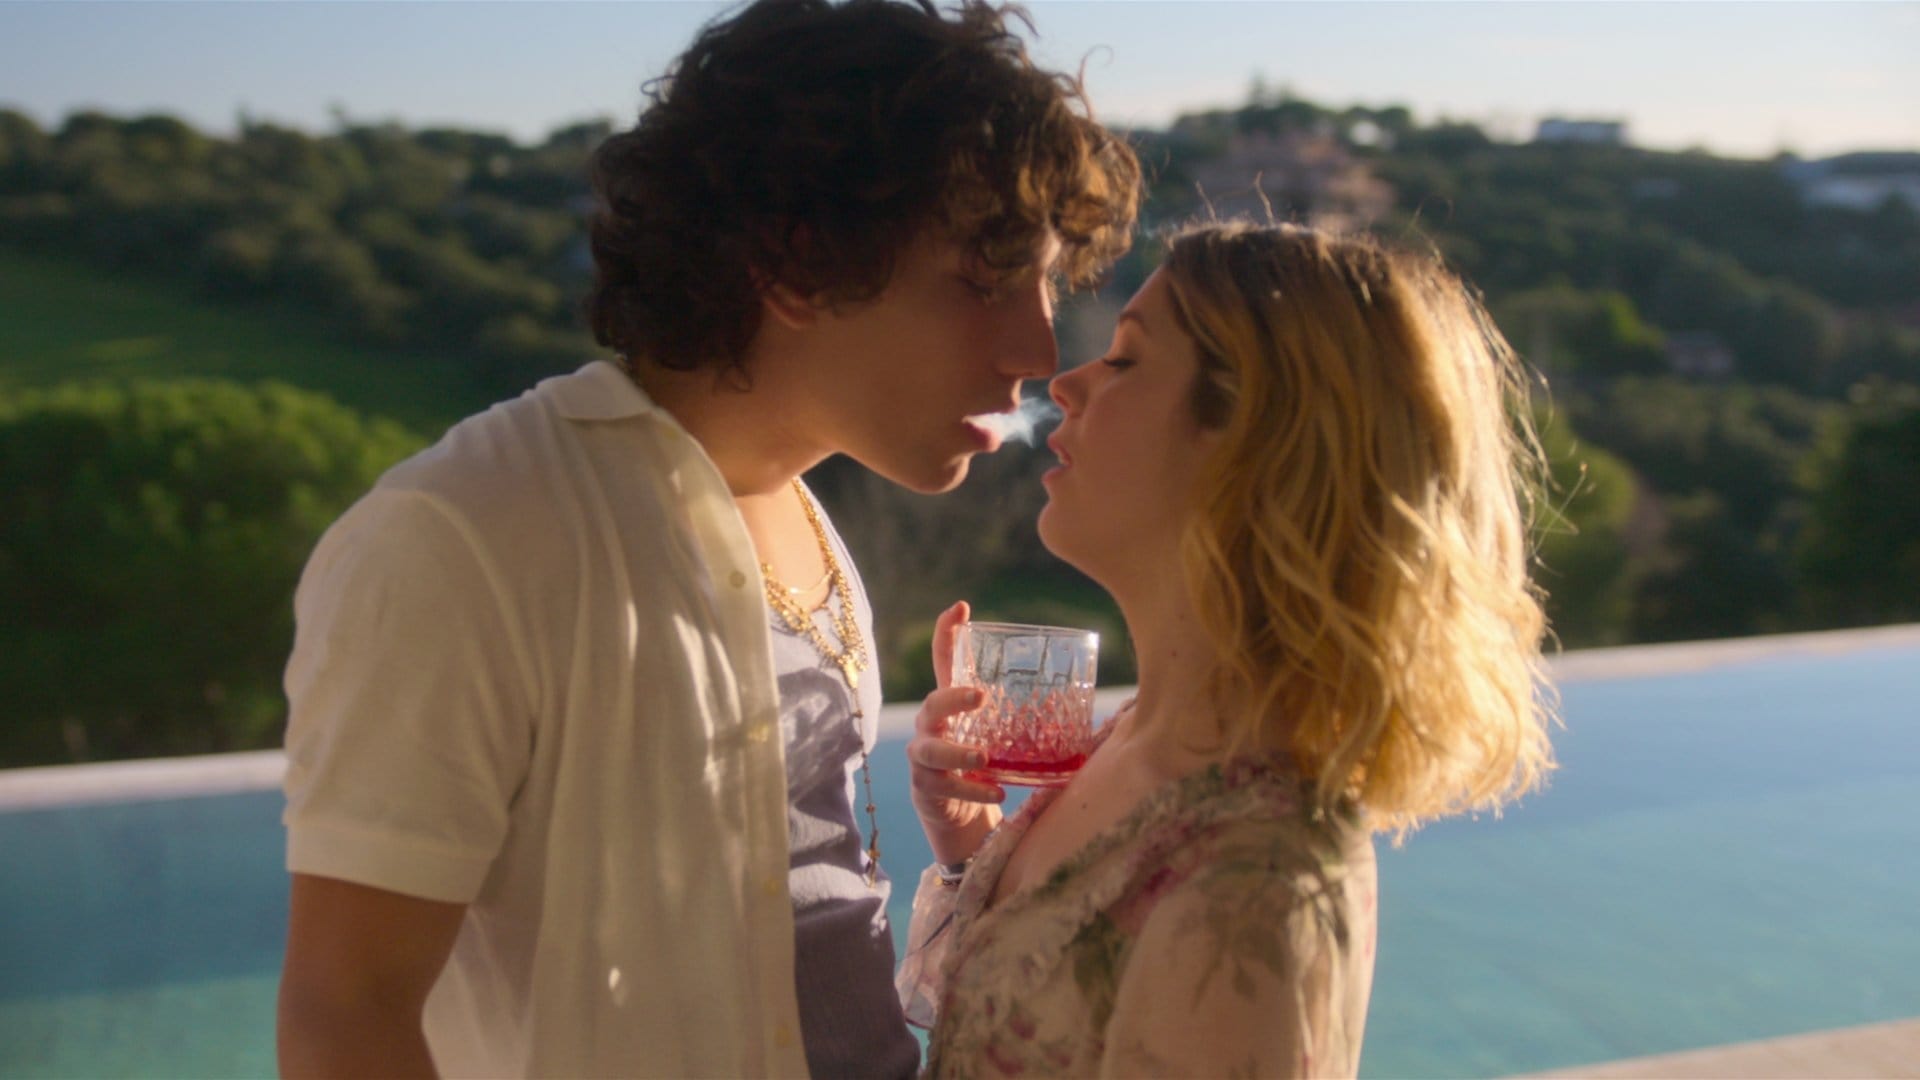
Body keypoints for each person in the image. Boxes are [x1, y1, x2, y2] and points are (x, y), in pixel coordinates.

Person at [274, 1, 1139, 1075]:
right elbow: (343, 1018)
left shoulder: (804, 523)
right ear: (794, 264)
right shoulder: (470, 537)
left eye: (1046, 283)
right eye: (984, 281)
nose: (1037, 349)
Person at [899, 221, 1557, 1077]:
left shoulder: (1259, 883)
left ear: (1254, 441)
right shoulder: (1138, 741)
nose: (1065, 383)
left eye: (1126, 359)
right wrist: (974, 853)